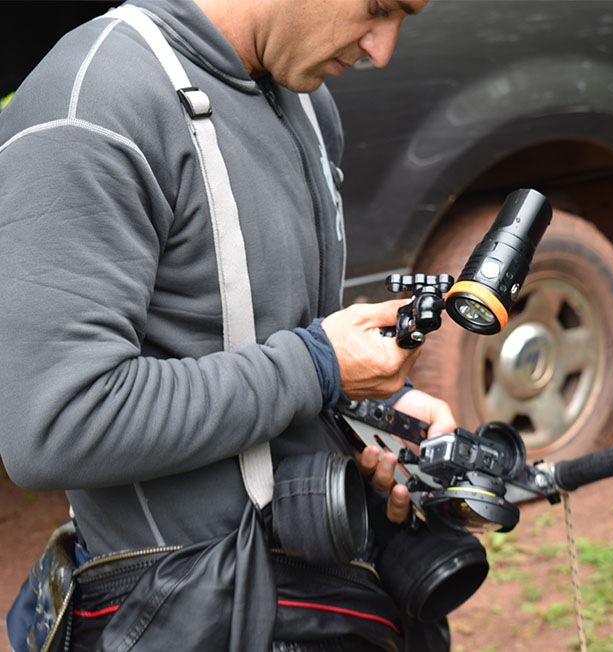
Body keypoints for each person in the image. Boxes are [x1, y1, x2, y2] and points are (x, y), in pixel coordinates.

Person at [0, 0, 457, 649]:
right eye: (379, 8)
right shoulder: (91, 101)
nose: (382, 50)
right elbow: (55, 424)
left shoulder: (305, 100)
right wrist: (317, 364)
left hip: (324, 598)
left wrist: (376, 405)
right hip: (183, 614)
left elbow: (274, 337)